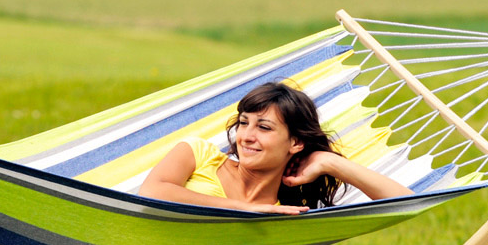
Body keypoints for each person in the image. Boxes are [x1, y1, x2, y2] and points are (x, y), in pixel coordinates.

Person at [138, 81, 411, 214]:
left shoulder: (284, 211)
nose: (246, 136)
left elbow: (404, 202)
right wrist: (243, 209)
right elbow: (152, 191)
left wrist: (331, 163)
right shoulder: (198, 154)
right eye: (244, 123)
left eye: (264, 127)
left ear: (296, 142)